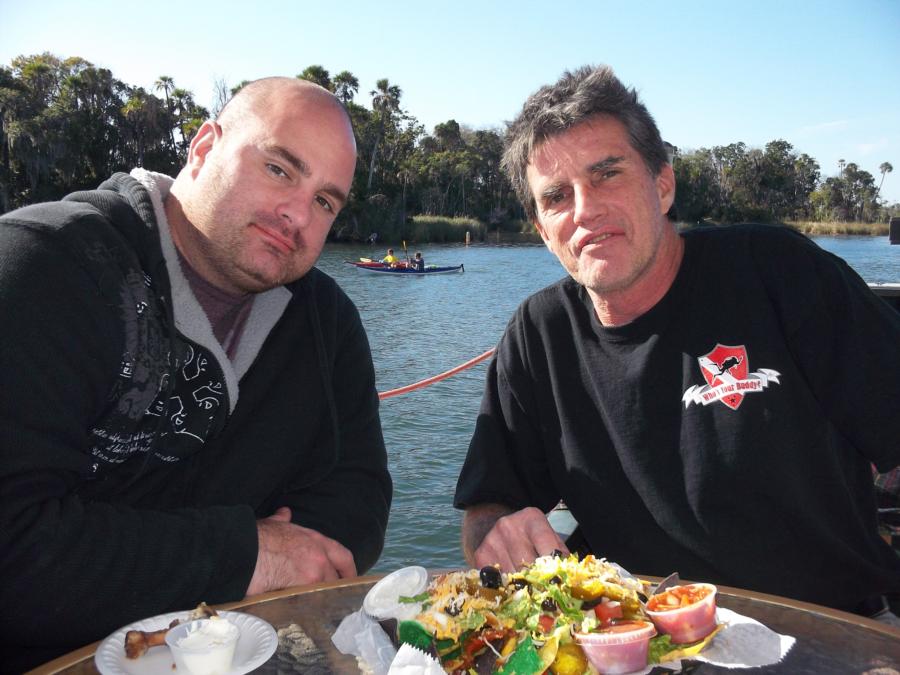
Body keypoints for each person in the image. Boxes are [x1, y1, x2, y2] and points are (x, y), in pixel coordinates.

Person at [454, 65, 900, 624]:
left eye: (608, 175)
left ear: (662, 184)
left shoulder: (780, 274)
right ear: (543, 230)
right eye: (556, 197)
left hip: (829, 633)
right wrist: (496, 534)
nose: (585, 210)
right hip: (632, 641)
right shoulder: (538, 334)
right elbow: (485, 509)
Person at [0, 77, 392, 671]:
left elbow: (355, 502)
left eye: (325, 201)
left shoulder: (327, 324)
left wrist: (270, 555)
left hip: (245, 651)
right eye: (280, 169)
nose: (296, 214)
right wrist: (246, 552)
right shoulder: (42, 269)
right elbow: (14, 544)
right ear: (204, 147)